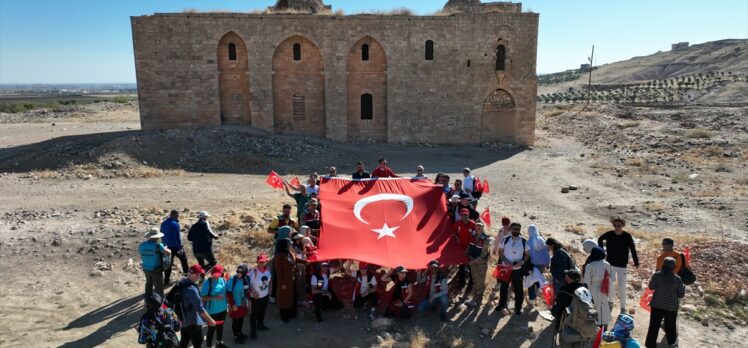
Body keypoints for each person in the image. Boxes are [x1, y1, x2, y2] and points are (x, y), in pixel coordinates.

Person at [598, 216, 639, 313]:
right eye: (615, 225)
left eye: (619, 225)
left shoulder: (627, 236)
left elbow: (633, 249)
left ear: (622, 225)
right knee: (610, 285)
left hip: (622, 265)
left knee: (622, 286)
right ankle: (610, 302)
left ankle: (623, 307)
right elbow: (600, 239)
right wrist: (602, 251)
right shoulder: (609, 234)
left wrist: (636, 262)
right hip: (610, 264)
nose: (617, 227)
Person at [645, 257, 685, 348]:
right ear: (674, 267)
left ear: (663, 265)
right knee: (670, 326)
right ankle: (671, 342)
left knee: (654, 326)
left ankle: (650, 344)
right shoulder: (678, 279)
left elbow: (651, 287)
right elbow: (681, 294)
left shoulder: (657, 275)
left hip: (656, 305)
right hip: (671, 307)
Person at [177, 265, 216, 348]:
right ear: (196, 275)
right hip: (193, 322)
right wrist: (210, 320)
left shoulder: (181, 282)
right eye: (200, 274)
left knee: (184, 341)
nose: (200, 276)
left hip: (183, 319)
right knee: (198, 343)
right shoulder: (191, 290)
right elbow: (200, 309)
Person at [496, 222, 530, 316]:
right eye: (514, 228)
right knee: (504, 287)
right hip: (506, 268)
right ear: (511, 229)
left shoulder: (524, 241)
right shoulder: (505, 240)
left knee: (519, 289)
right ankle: (501, 305)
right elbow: (500, 252)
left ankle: (518, 307)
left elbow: (527, 255)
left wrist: (522, 262)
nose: (516, 230)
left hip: (518, 269)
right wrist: (505, 261)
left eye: (518, 229)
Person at [583, 246, 614, 329]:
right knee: (603, 307)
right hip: (604, 288)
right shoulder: (607, 264)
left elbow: (586, 282)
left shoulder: (590, 266)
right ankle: (602, 327)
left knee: (593, 308)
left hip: (593, 288)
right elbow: (611, 277)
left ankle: (593, 326)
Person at [139, 228, 171, 300]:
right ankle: (159, 303)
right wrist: (166, 248)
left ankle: (148, 300)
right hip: (155, 269)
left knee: (148, 284)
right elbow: (168, 252)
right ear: (157, 237)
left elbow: (142, 255)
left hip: (146, 268)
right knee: (158, 287)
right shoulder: (158, 246)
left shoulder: (141, 245)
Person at [201, 265, 228, 348]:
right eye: (214, 273)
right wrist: (214, 297)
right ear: (212, 273)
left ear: (221, 273)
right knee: (211, 329)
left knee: (220, 327)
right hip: (212, 311)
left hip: (223, 309)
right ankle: (209, 346)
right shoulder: (207, 283)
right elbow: (203, 298)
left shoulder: (223, 280)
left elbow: (227, 292)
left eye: (218, 273)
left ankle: (219, 343)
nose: (216, 275)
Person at [466, 222, 492, 306]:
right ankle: (475, 295)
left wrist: (473, 261)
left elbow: (484, 254)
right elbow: (470, 246)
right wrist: (468, 256)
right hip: (472, 260)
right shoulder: (473, 234)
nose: (478, 227)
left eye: (480, 226)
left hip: (481, 262)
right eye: (477, 225)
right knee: (474, 278)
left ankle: (479, 297)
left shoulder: (486, 238)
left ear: (483, 227)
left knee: (481, 279)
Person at [526, 224, 550, 307]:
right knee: (538, 279)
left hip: (534, 264)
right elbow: (546, 252)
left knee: (531, 281)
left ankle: (532, 300)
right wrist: (547, 263)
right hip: (542, 265)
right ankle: (537, 294)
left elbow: (528, 254)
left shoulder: (529, 241)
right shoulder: (542, 239)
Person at [161, 210, 188, 285]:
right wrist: (180, 247)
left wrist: (164, 244)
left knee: (168, 264)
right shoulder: (175, 224)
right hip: (175, 246)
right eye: (177, 215)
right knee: (184, 260)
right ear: (174, 215)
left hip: (166, 246)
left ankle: (166, 280)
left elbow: (161, 235)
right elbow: (177, 237)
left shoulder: (163, 223)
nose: (178, 217)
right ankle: (186, 275)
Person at [248, 254, 271, 340]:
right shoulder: (253, 272)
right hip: (255, 297)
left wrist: (270, 289)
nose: (261, 263)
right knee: (254, 314)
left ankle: (260, 325)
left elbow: (270, 280)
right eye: (260, 262)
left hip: (265, 295)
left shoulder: (267, 270)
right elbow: (248, 285)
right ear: (257, 262)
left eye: (263, 262)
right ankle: (253, 331)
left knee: (262, 311)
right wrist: (254, 292)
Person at [274, 238, 297, 323]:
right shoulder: (278, 256)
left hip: (292, 279)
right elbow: (278, 271)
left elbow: (295, 260)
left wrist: (306, 262)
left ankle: (291, 313)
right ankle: (284, 316)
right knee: (284, 299)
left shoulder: (289, 253)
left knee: (291, 297)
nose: (290, 245)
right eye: (289, 243)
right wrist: (282, 283)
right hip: (284, 281)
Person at [226, 264, 250, 343]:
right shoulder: (233, 279)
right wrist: (232, 305)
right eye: (237, 271)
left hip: (243, 302)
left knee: (241, 318)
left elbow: (247, 291)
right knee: (236, 320)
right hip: (235, 303)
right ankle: (236, 336)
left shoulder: (246, 279)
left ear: (245, 272)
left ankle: (240, 333)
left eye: (241, 272)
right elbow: (228, 293)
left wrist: (249, 301)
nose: (238, 273)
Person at [454, 208, 476, 290]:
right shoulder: (458, 223)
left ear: (468, 215)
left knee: (470, 266)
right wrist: (457, 238)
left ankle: (471, 283)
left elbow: (475, 237)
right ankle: (461, 282)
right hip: (461, 249)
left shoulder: (473, 224)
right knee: (461, 266)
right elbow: (453, 232)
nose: (464, 217)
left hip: (470, 249)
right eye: (462, 215)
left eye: (465, 215)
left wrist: (469, 248)